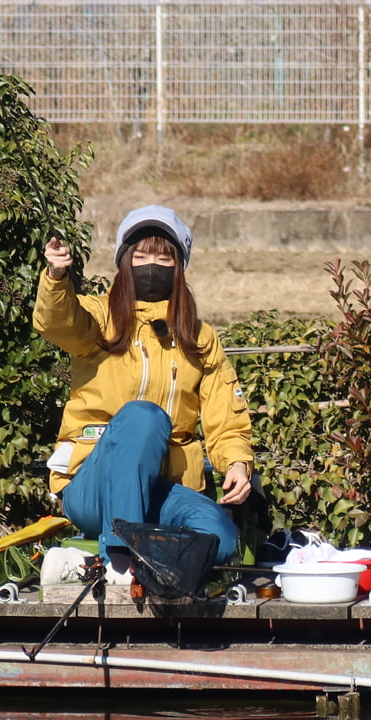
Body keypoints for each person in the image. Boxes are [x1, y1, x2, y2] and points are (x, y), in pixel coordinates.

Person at [33, 205, 255, 583]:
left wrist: (237, 463)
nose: (152, 264)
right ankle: (121, 559)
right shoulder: (97, 317)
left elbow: (226, 420)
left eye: (164, 256)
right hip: (92, 486)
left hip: (161, 489)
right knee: (144, 416)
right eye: (140, 255)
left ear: (179, 266)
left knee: (221, 536)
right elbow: (57, 320)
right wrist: (56, 276)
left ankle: (84, 565)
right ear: (123, 261)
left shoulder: (201, 338)